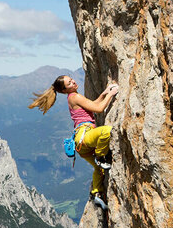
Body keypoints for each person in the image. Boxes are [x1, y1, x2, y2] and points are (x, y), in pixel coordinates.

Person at [28, 75, 119, 209]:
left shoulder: (73, 97)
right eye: (69, 83)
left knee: (98, 169)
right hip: (85, 136)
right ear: (65, 90)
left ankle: (97, 194)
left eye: (71, 80)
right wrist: (111, 94)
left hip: (80, 143)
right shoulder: (75, 97)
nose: (73, 82)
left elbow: (92, 105)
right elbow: (99, 109)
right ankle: (100, 156)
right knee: (106, 131)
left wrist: (104, 94)